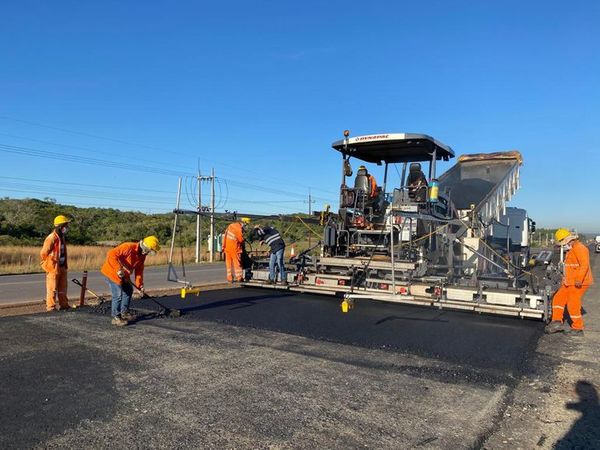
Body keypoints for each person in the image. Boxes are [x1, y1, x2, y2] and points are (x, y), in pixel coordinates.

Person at [101, 236, 160, 326]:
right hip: (112, 273)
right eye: (150, 250)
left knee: (128, 290)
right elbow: (111, 254)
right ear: (145, 247)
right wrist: (118, 269)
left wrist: (140, 285)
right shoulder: (128, 247)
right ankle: (115, 317)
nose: (149, 253)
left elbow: (139, 271)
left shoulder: (142, 256)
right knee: (118, 295)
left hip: (124, 275)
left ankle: (124, 313)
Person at [545, 228, 594, 335]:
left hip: (579, 282)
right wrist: (565, 279)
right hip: (569, 281)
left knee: (573, 304)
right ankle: (557, 322)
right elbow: (570, 267)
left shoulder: (581, 248)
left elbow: (584, 265)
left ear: (568, 240)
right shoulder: (571, 249)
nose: (562, 246)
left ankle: (578, 328)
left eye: (562, 243)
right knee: (558, 299)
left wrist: (578, 279)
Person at [40, 215, 72, 312]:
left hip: (62, 267)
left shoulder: (62, 237)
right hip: (53, 268)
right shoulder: (51, 238)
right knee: (52, 289)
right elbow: (43, 253)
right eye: (65, 225)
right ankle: (51, 307)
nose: (67, 227)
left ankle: (64, 305)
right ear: (60, 226)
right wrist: (50, 263)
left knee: (62, 288)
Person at [222, 217, 251, 283]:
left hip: (227, 248)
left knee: (228, 264)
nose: (246, 226)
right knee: (237, 263)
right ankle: (239, 277)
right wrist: (243, 240)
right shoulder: (238, 228)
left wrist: (223, 247)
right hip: (235, 248)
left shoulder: (231, 225)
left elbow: (225, 236)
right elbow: (241, 239)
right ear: (244, 223)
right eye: (246, 225)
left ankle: (229, 278)